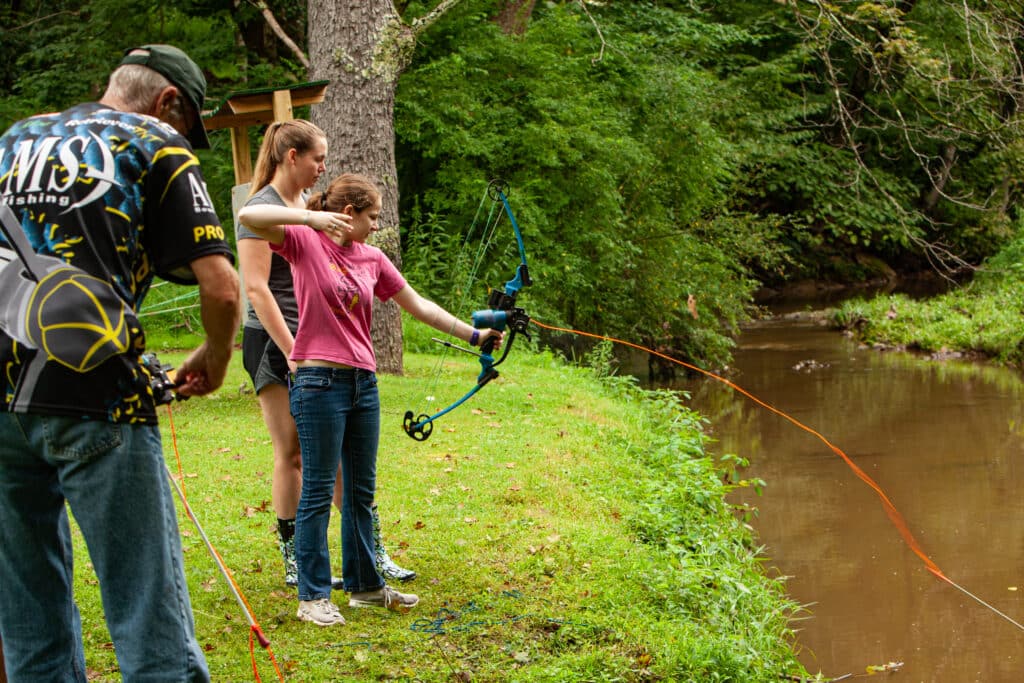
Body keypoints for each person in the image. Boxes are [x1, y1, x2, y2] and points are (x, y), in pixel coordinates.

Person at [0, 45, 240, 681]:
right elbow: (220, 287)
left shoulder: (13, 139)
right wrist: (216, 359)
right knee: (146, 609)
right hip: (97, 396)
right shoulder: (157, 142)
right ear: (169, 103)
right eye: (190, 123)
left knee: (29, 618)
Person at [238, 174, 502, 626]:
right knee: (319, 490)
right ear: (349, 214)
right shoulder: (305, 241)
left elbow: (419, 306)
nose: (377, 226)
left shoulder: (373, 258)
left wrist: (475, 335)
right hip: (318, 381)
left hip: (364, 383)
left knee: (359, 491)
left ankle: (364, 587)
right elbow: (248, 215)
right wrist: (311, 217)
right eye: (373, 217)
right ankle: (313, 596)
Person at [237, 120, 415, 589]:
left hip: (323, 346)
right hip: (277, 343)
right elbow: (256, 287)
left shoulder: (307, 205)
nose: (322, 167)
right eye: (317, 158)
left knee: (339, 456)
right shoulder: (266, 208)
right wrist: (291, 350)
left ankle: (369, 552)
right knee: (293, 452)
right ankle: (295, 557)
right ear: (291, 156)